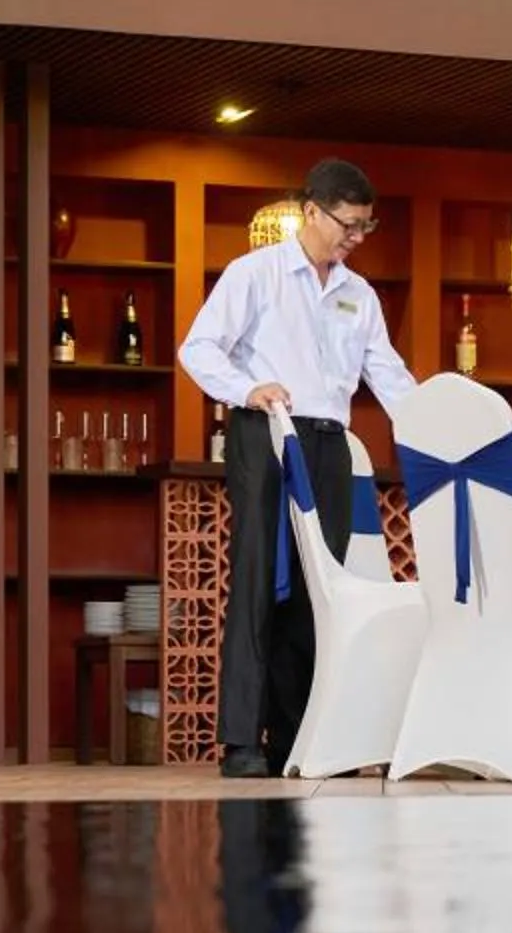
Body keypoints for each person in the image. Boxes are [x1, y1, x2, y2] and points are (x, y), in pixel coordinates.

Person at [178, 158, 416, 777]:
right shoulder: (254, 274)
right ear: (311, 210)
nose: (356, 238)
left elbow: (385, 372)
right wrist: (245, 388)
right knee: (261, 578)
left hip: (328, 443)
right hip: (267, 433)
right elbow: (198, 348)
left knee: (319, 590)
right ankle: (242, 742)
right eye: (349, 225)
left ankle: (296, 737)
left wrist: (430, 424)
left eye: (366, 228)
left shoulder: (358, 294)